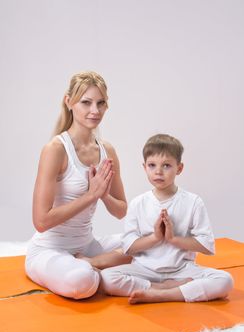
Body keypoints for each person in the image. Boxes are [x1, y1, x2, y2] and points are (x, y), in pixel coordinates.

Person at [25, 71, 131, 300]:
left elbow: (122, 211)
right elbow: (41, 221)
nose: (95, 110)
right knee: (81, 281)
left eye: (101, 103)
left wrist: (103, 196)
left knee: (149, 241)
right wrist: (90, 196)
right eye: (86, 102)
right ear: (69, 101)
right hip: (49, 251)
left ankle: (95, 266)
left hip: (87, 247)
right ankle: (104, 273)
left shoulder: (107, 150)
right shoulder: (55, 150)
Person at [101, 134, 234, 304]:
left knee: (225, 280)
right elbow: (129, 247)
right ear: (144, 167)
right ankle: (162, 288)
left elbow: (206, 245)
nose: (158, 171)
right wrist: (155, 237)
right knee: (106, 277)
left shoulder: (193, 202)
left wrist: (173, 239)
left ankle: (162, 294)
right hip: (145, 269)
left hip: (182, 270)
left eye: (166, 165)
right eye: (152, 165)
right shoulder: (137, 203)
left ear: (179, 168)